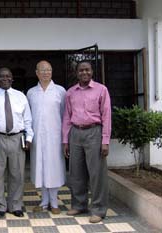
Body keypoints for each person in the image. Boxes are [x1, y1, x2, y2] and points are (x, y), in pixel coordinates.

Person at [62, 60, 111, 223]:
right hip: (76, 133)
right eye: (81, 70)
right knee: (76, 172)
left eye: (87, 70)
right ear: (76, 73)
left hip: (94, 132)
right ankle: (79, 204)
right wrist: (65, 140)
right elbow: (67, 117)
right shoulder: (70, 92)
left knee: (97, 173)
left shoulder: (101, 90)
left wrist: (105, 141)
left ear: (92, 72)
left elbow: (106, 116)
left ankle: (98, 209)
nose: (84, 73)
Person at [0, 67, 33, 218]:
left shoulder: (21, 96)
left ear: (12, 79)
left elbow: (28, 119)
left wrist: (29, 138)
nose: (5, 79)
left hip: (17, 138)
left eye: (8, 76)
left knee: (17, 174)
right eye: (1, 77)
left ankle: (15, 205)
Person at [27, 60, 66, 214]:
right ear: (36, 72)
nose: (45, 73)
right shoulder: (31, 92)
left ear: (52, 72)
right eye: (42, 70)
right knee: (40, 168)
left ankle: (54, 202)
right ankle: (44, 202)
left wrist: (64, 138)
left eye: (48, 70)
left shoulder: (60, 91)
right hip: (37, 137)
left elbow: (65, 114)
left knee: (54, 168)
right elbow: (28, 116)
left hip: (54, 137)